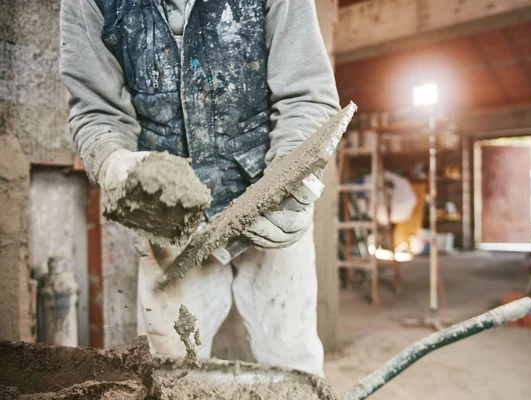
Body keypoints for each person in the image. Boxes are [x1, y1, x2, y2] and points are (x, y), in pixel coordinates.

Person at [60, 0, 340, 376]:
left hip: (266, 195)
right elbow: (96, 111)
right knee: (170, 369)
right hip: (170, 221)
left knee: (291, 357)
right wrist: (113, 161)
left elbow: (306, 94)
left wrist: (288, 179)